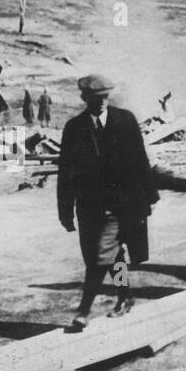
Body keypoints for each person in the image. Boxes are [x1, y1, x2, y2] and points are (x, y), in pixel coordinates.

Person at [58, 75, 157, 329]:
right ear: (84, 98)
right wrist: (65, 211)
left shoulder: (125, 120)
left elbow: (140, 159)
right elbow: (65, 172)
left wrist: (149, 197)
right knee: (110, 257)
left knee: (99, 257)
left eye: (105, 97)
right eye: (96, 98)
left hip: (120, 204)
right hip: (89, 207)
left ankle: (83, 311)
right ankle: (125, 297)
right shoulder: (74, 128)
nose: (102, 102)